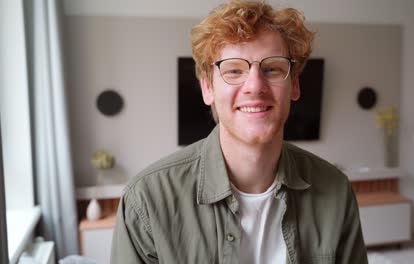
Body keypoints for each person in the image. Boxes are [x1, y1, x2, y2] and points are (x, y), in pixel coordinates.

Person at [111, 1, 368, 263]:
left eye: (272, 69)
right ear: (207, 88)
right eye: (234, 70)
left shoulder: (336, 190)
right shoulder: (146, 200)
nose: (255, 86)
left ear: (294, 85)